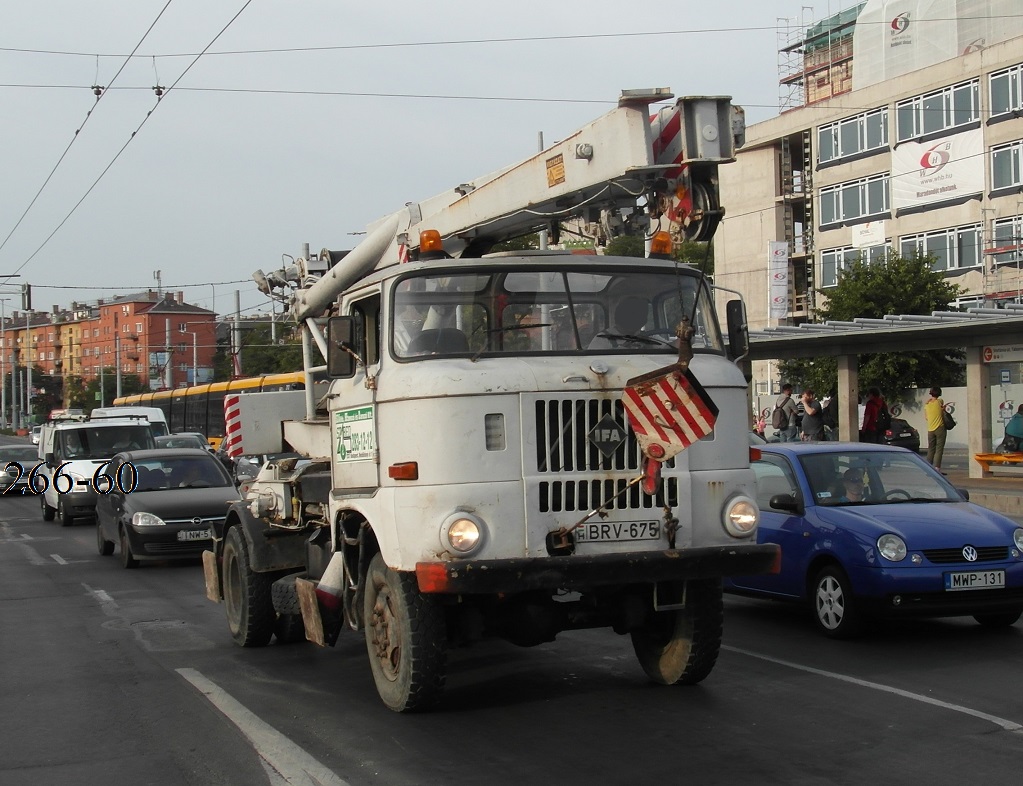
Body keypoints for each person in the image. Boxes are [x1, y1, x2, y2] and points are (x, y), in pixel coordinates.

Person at [924, 386, 947, 468]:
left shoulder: (926, 405)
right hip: (940, 428)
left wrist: (928, 401)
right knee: (939, 449)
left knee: (931, 449)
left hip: (930, 429)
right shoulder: (940, 401)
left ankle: (928, 467)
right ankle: (937, 468)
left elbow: (926, 417)